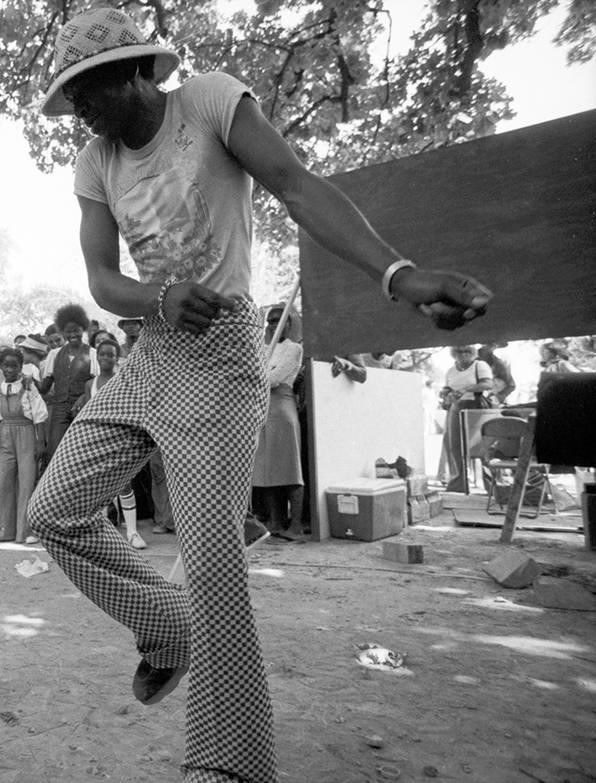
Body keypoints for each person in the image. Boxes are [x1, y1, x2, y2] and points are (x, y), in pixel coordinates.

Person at [29, 9, 492, 782]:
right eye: (68, 96)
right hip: (152, 352)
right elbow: (103, 282)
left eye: (87, 90)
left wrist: (399, 277)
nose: (78, 109)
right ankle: (170, 628)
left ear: (136, 72)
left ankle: (232, 762)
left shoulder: (209, 102)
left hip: (222, 352)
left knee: (211, 562)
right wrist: (159, 297)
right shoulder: (94, 162)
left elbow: (295, 185)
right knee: (54, 511)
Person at [74, 337, 147, 549]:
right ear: (97, 356)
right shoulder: (90, 384)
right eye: (102, 354)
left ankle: (132, 532)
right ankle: (102, 531)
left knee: (124, 485)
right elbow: (88, 411)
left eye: (110, 355)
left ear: (117, 358)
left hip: (120, 437)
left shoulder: (123, 380)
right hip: (96, 439)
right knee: (99, 486)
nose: (106, 358)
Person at [251, 304, 305, 540]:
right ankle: (276, 520)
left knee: (290, 468)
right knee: (269, 469)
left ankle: (295, 525)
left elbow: (272, 378)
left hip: (282, 407)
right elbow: (253, 374)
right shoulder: (262, 348)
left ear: (290, 324)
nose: (275, 325)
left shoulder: (294, 349)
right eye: (271, 321)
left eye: (280, 320)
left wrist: (261, 374)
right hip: (263, 409)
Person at [0, 347, 48, 544]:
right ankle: (3, 529)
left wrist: (40, 442)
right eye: (6, 366)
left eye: (14, 366)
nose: (10, 369)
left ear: (21, 367)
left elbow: (39, 414)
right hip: (6, 434)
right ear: (0, 366)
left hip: (27, 432)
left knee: (27, 480)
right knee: (4, 478)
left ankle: (26, 531)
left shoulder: (28, 386)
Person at [36, 303, 99, 460]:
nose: (72, 334)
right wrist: (31, 382)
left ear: (82, 329)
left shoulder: (92, 354)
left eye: (76, 330)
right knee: (55, 452)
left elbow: (96, 384)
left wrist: (83, 397)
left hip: (83, 409)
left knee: (81, 453)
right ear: (62, 332)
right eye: (68, 331)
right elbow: (45, 388)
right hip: (59, 409)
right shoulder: (54, 354)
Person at [440, 345, 494, 494]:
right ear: (454, 353)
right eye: (459, 351)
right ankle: (458, 482)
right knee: (454, 444)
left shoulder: (480, 365)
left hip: (476, 406)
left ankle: (493, 486)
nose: (463, 355)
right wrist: (445, 392)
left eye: (467, 352)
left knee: (482, 445)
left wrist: (466, 389)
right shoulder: (451, 370)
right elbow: (448, 387)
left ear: (472, 353)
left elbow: (488, 384)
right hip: (456, 406)